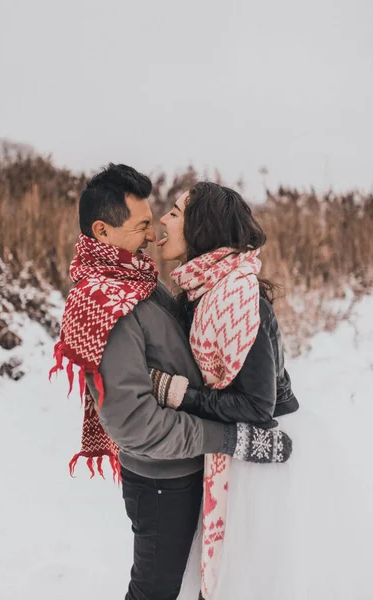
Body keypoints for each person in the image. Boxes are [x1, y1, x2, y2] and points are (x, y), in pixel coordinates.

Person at [49, 165, 292, 600]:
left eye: (158, 219)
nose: (151, 233)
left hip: (184, 467)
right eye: (142, 224)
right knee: (154, 592)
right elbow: (135, 424)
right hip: (162, 479)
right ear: (103, 231)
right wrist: (229, 439)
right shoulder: (107, 305)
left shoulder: (139, 280)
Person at [151, 181, 373, 600]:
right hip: (231, 446)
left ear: (202, 228)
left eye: (176, 213)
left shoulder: (239, 297)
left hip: (267, 458)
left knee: (256, 582)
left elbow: (256, 405)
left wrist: (180, 395)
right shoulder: (202, 290)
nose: (163, 218)